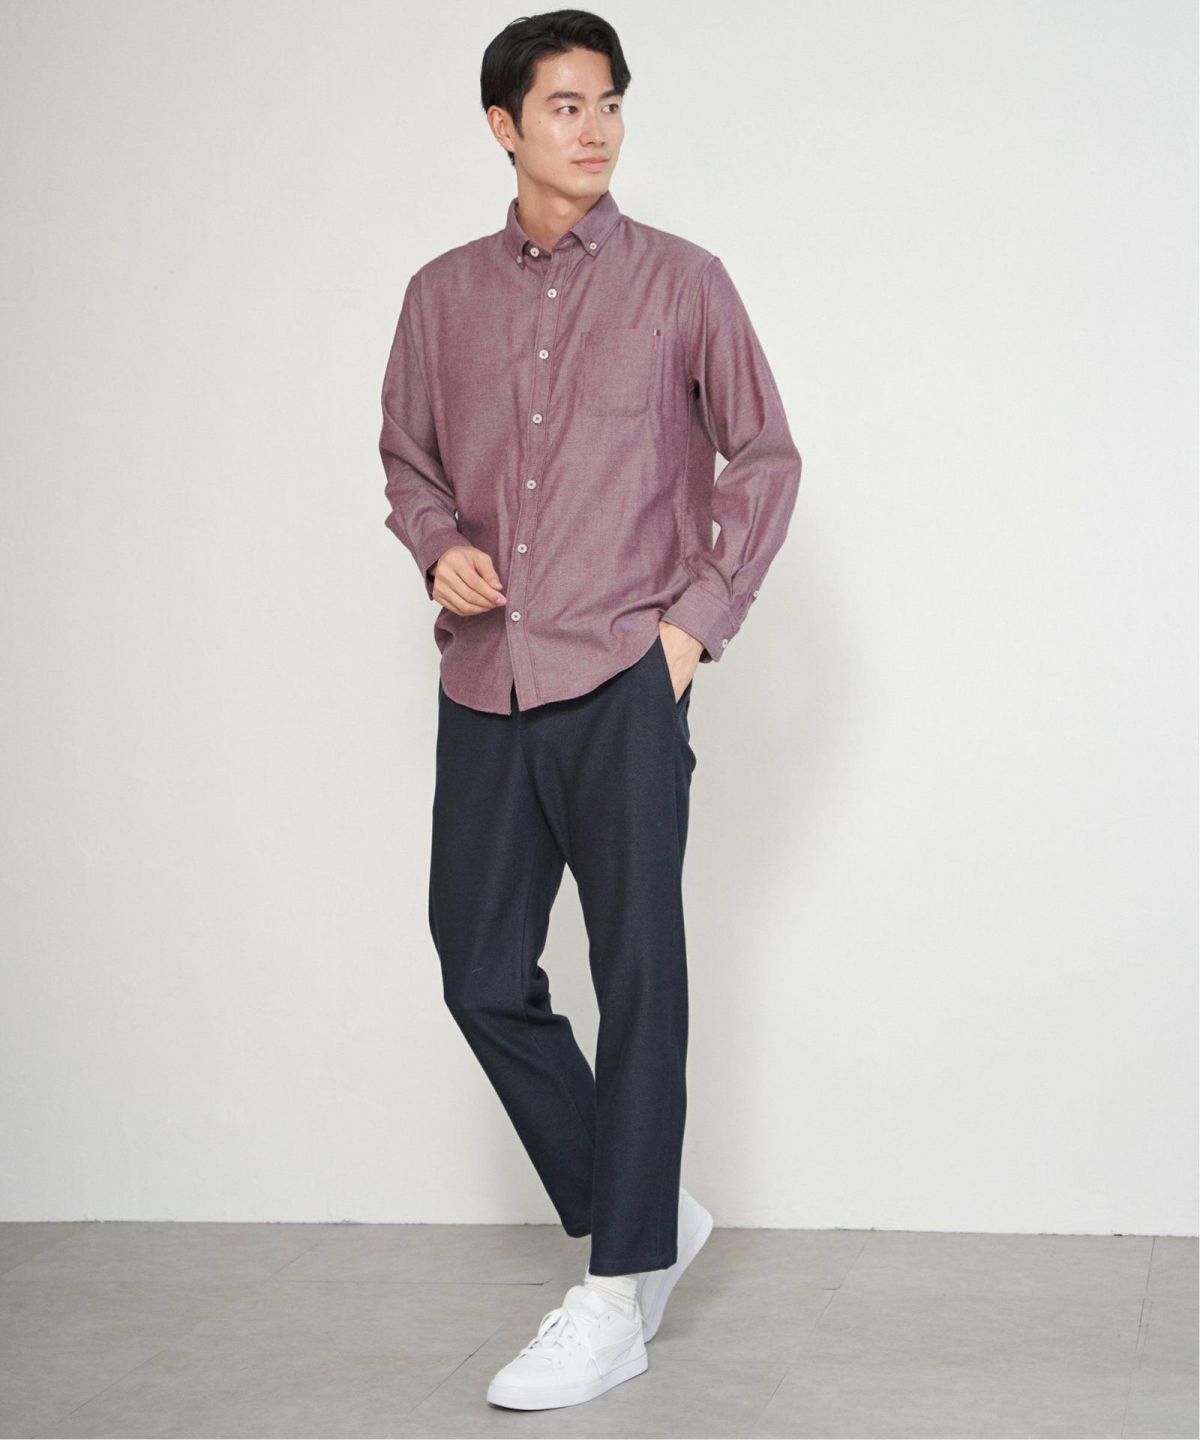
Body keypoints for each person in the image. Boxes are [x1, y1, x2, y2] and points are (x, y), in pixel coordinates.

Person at [378, 7, 802, 1412]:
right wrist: (437, 542)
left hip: (623, 674)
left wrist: (691, 631)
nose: (597, 127)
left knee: (639, 975)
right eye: (566, 106)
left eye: (609, 102)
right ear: (505, 127)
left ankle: (618, 1293)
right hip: (487, 674)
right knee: (480, 970)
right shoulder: (441, 297)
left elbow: (765, 458)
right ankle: (647, 1209)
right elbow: (409, 461)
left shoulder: (685, 283)